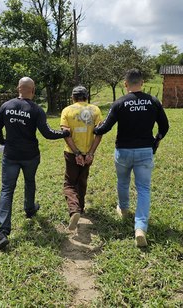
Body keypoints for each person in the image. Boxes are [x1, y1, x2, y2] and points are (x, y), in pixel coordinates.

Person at [94, 69, 169, 247]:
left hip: (123, 151)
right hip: (145, 150)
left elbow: (105, 127)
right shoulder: (153, 101)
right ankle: (140, 228)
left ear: (125, 84)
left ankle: (124, 209)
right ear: (142, 83)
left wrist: (96, 129)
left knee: (123, 182)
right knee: (143, 188)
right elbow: (164, 127)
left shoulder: (120, 102)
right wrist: (156, 140)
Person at [0, 77, 70, 250]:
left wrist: (4, 143)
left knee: (7, 190)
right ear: (33, 90)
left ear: (17, 88)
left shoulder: (6, 106)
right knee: (29, 181)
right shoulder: (36, 110)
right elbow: (48, 133)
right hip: (30, 156)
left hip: (11, 155)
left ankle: (3, 233)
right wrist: (64, 133)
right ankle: (29, 209)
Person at [60, 85, 103, 231]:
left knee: (70, 183)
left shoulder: (67, 110)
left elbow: (66, 134)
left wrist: (76, 153)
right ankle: (81, 207)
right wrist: (90, 153)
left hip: (72, 153)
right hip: (88, 152)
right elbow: (99, 133)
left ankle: (74, 210)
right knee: (82, 179)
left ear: (73, 98)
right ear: (86, 97)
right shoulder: (95, 110)